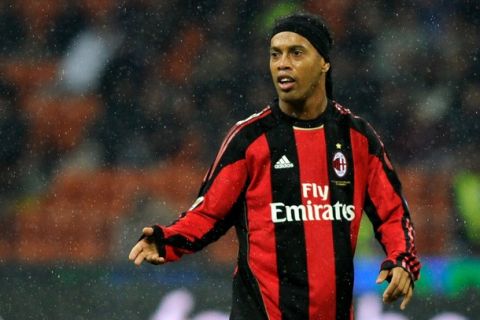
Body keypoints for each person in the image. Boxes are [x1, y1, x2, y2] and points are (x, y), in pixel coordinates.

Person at [129, 13, 421, 319]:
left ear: (324, 63)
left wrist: (402, 260)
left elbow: (393, 213)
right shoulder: (249, 139)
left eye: (296, 53)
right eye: (275, 54)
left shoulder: (357, 139)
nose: (283, 63)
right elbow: (208, 214)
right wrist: (167, 240)